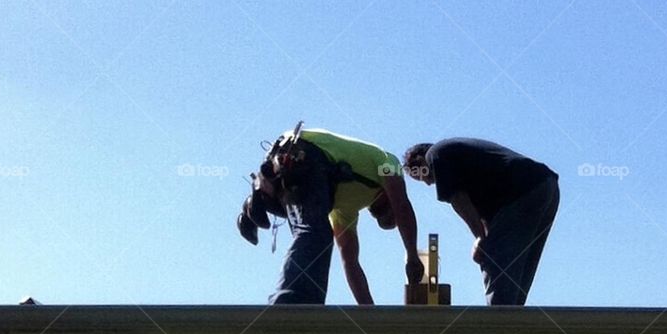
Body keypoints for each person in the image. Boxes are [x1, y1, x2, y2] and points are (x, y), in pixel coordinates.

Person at [238, 128, 423, 305]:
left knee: (317, 233)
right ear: (389, 200)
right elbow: (402, 205)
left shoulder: (346, 210)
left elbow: (350, 263)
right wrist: (412, 256)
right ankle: (290, 300)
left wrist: (369, 312)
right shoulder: (388, 162)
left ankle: (261, 198)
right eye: (389, 215)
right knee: (314, 232)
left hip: (293, 165)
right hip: (307, 152)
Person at [402, 138, 559, 306]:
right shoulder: (465, 162)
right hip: (546, 187)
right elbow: (490, 218)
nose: (428, 183)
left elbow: (458, 199)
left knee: (494, 260)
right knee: (517, 271)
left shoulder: (436, 154)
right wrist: (485, 236)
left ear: (420, 159)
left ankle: (500, 316)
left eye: (422, 175)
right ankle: (511, 315)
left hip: (522, 191)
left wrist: (481, 238)